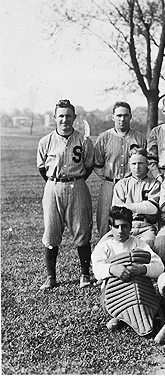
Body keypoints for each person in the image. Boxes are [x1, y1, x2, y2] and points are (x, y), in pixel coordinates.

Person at [37, 99, 94, 289]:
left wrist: (74, 180)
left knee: (82, 231)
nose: (64, 120)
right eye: (60, 116)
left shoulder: (83, 140)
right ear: (54, 118)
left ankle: (85, 274)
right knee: (52, 231)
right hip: (53, 186)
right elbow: (42, 168)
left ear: (74, 117)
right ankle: (51, 276)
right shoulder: (46, 141)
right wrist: (56, 183)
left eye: (68, 116)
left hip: (77, 185)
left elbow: (88, 166)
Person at [92, 206, 164, 334]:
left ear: (131, 227)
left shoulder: (139, 244)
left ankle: (142, 317)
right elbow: (97, 270)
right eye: (116, 227)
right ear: (111, 228)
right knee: (115, 297)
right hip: (114, 293)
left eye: (124, 226)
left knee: (142, 294)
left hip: (140, 290)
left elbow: (159, 266)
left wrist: (142, 269)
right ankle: (120, 317)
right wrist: (112, 269)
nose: (120, 231)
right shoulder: (104, 247)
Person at [94, 101, 147, 237]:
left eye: (125, 115)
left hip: (132, 185)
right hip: (110, 184)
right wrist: (109, 179)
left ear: (130, 117)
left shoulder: (139, 138)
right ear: (113, 117)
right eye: (118, 116)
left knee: (132, 223)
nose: (122, 119)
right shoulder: (104, 137)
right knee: (105, 223)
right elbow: (98, 164)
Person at [106, 147, 161, 249]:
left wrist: (125, 206)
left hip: (146, 227)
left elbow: (152, 209)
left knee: (146, 246)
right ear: (129, 165)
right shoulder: (121, 184)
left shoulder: (154, 184)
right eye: (133, 164)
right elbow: (116, 211)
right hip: (124, 226)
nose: (137, 167)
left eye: (140, 163)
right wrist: (142, 207)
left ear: (147, 164)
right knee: (105, 246)